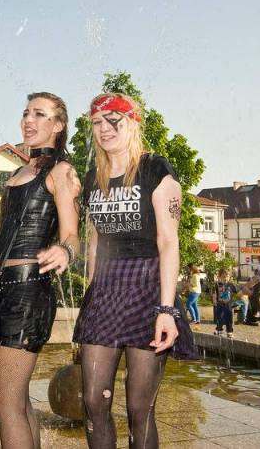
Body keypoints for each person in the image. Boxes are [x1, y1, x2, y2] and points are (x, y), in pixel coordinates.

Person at [73, 93, 181, 449]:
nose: (104, 129)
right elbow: (94, 242)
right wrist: (90, 298)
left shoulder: (155, 169)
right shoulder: (94, 177)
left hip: (148, 286)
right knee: (93, 400)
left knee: (139, 408)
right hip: (106, 289)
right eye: (97, 123)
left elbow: (168, 242)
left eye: (113, 121)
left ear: (132, 122)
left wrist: (166, 310)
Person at [0, 92, 80, 448]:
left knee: (5, 399)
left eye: (39, 114)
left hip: (27, 292)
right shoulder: (18, 171)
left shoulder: (61, 170)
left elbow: (73, 235)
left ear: (57, 125)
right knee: (18, 399)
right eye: (26, 113)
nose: (28, 120)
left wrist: (64, 251)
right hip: (1, 289)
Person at [212, 269, 237, 338]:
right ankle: (219, 329)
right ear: (219, 277)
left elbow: (236, 293)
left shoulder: (231, 285)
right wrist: (214, 301)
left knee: (229, 318)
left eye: (227, 277)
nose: (225, 278)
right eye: (223, 277)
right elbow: (214, 294)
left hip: (228, 305)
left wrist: (235, 302)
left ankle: (229, 331)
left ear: (229, 277)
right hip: (220, 305)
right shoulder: (217, 285)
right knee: (219, 317)